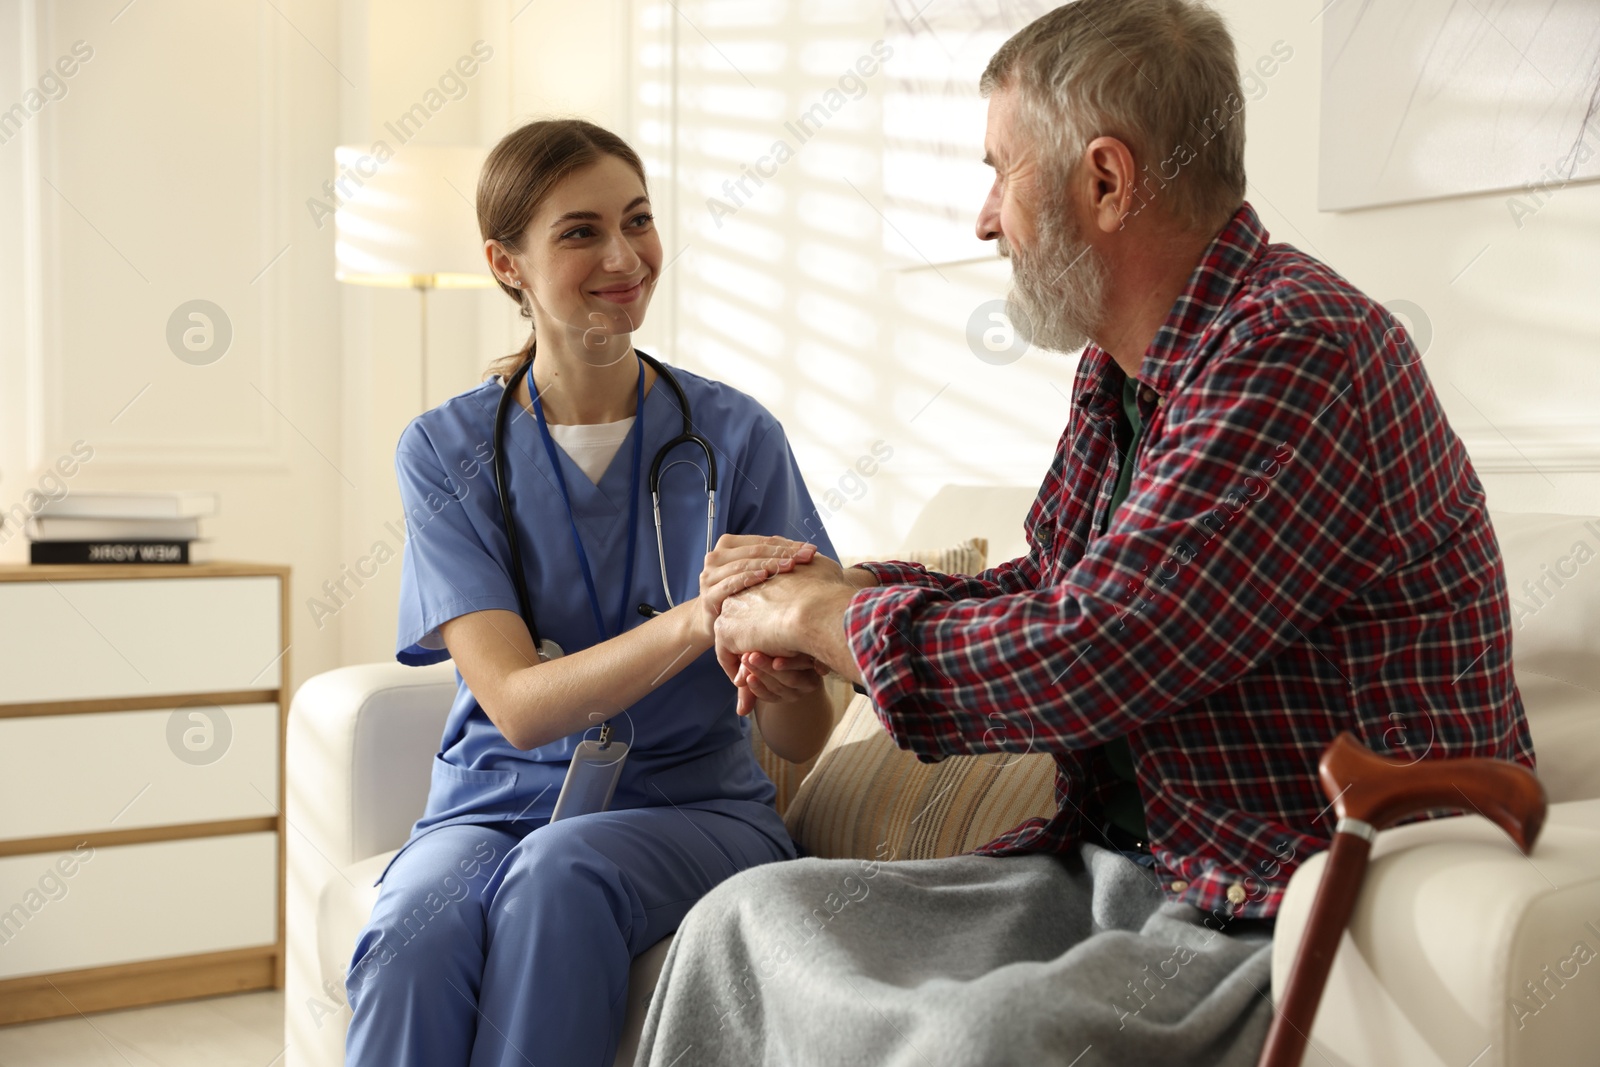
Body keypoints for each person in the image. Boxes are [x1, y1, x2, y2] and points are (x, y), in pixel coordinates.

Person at [636, 2, 1536, 1064]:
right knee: (742, 922)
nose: (982, 220)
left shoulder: (1298, 350)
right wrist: (828, 593)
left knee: (989, 1037)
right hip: (1119, 866)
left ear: (1104, 182)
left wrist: (832, 619)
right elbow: (1059, 587)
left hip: (1278, 892)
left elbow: (1097, 645)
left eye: (998, 172)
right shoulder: (1120, 372)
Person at [342, 118, 840, 1067]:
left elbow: (804, 739)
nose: (625, 255)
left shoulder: (737, 438)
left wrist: (781, 680)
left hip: (696, 808)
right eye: (580, 231)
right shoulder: (447, 451)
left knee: (560, 873)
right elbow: (523, 709)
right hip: (493, 802)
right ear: (508, 264)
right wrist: (705, 618)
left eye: (639, 220)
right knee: (414, 926)